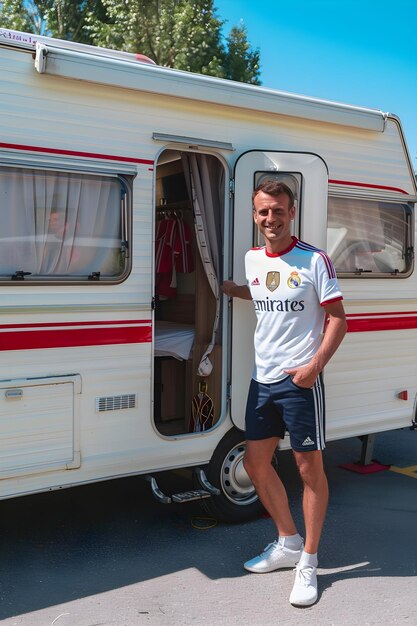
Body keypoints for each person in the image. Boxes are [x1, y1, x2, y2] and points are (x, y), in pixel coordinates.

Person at [222, 180, 347, 607]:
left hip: (299, 382)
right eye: (262, 212)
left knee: (309, 471)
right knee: (257, 465)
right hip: (263, 380)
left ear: (291, 213)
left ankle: (309, 562)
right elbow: (261, 291)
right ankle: (288, 542)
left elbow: (338, 320)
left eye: (277, 211)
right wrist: (231, 290)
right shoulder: (253, 258)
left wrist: (314, 368)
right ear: (255, 216)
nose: (270, 219)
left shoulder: (315, 260)